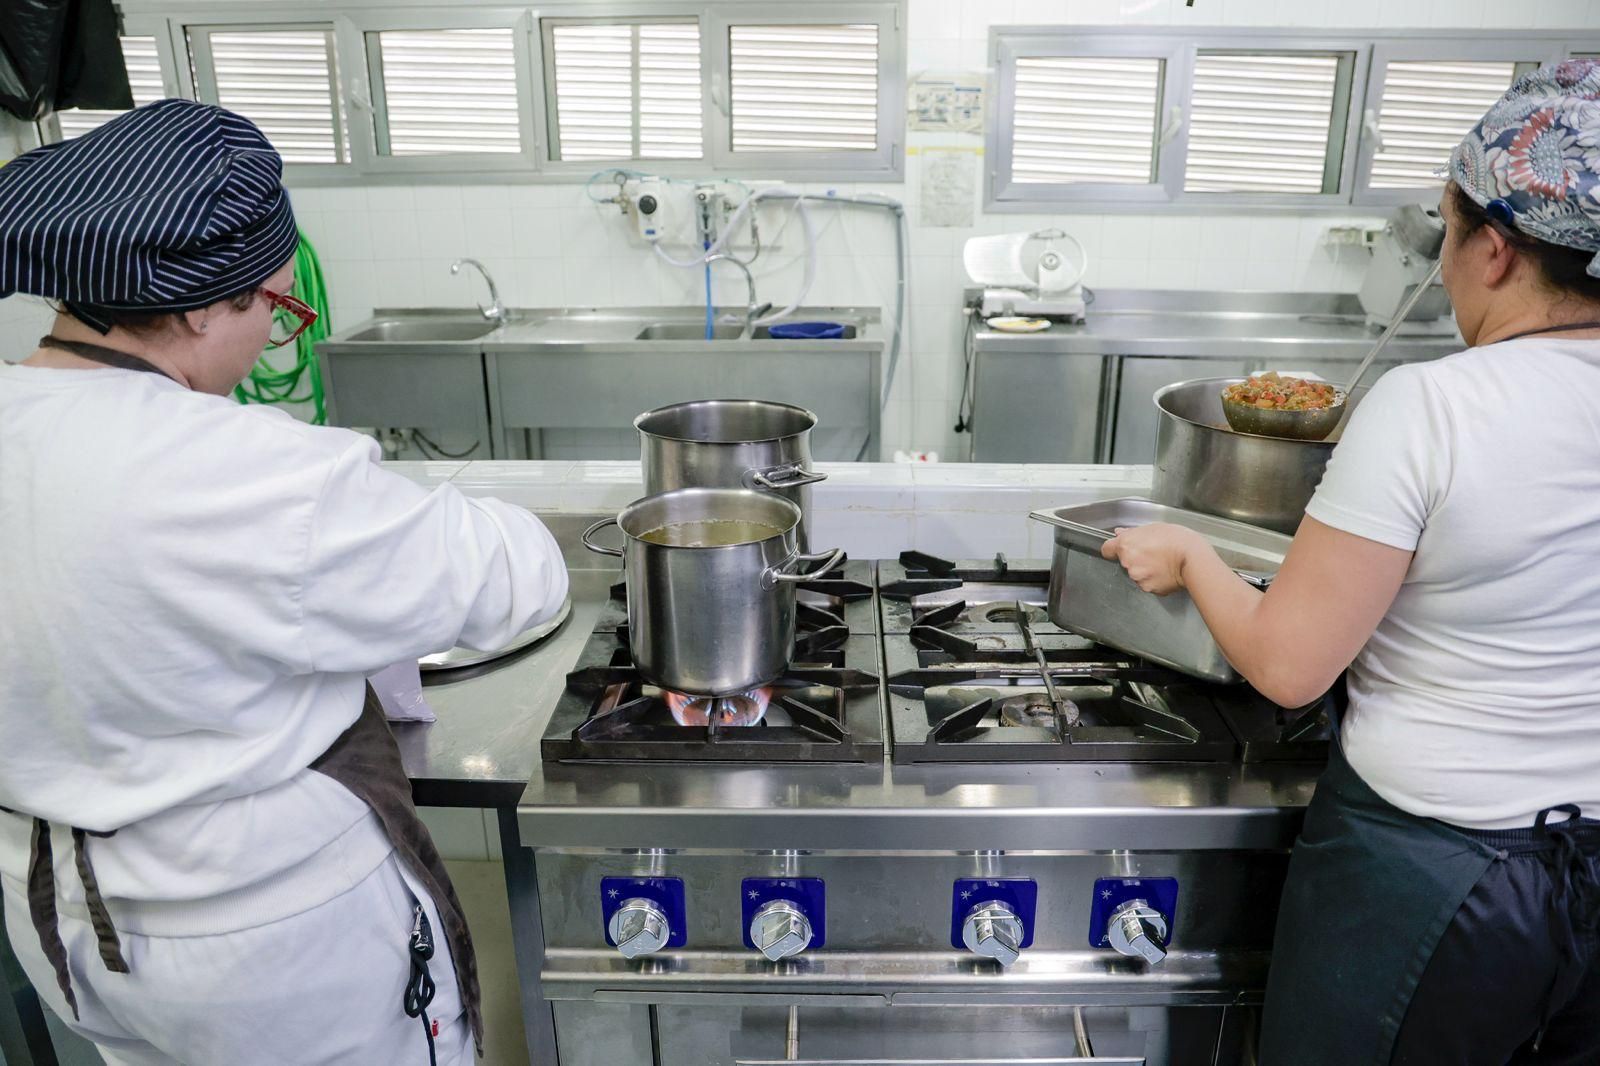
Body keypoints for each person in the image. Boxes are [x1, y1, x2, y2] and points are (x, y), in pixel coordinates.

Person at [0, 99, 569, 1064]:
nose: (274, 333)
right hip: (275, 955)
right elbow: (525, 578)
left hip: (62, 926)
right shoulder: (250, 471)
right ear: (195, 302)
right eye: (274, 305)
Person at [1103, 61, 1600, 1065]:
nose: (1444, 261)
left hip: (1439, 881)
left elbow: (1288, 666)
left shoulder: (1436, 405)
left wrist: (1196, 558)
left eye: (1447, 232)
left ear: (1494, 250)